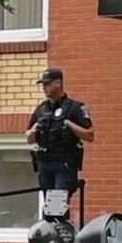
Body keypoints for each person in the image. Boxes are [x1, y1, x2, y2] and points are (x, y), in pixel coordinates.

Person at [27, 68, 93, 220]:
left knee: (56, 205)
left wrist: (69, 124)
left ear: (58, 83)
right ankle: (52, 230)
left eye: (47, 84)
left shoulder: (75, 108)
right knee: (50, 207)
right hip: (45, 164)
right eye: (43, 85)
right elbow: (28, 137)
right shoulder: (42, 109)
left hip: (64, 164)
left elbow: (89, 135)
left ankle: (60, 231)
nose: (44, 88)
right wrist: (34, 130)